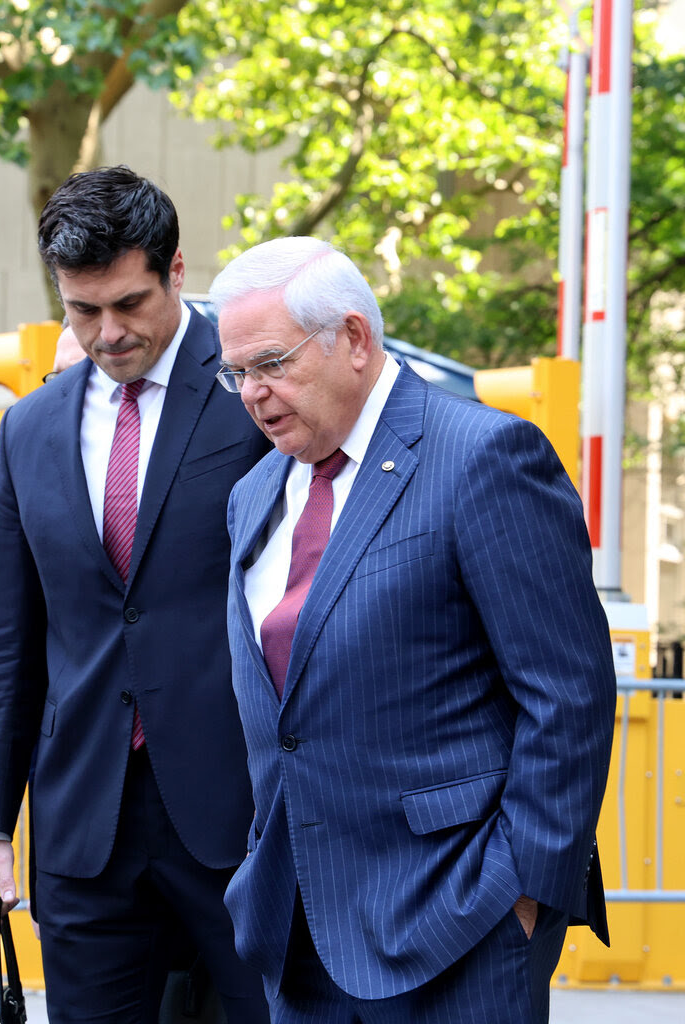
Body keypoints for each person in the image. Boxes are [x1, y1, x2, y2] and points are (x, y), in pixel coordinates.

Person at [209, 236, 616, 1023]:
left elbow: (568, 695)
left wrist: (523, 894)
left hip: (458, 921)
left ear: (355, 339)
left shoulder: (483, 457)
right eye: (236, 375)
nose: (253, 393)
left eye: (271, 363)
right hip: (298, 929)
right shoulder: (254, 493)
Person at [0, 165, 270, 1024]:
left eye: (129, 304)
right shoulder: (30, 428)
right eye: (82, 310)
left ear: (176, 272)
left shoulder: (254, 394)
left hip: (239, 811)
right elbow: (9, 642)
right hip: (82, 826)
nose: (108, 333)